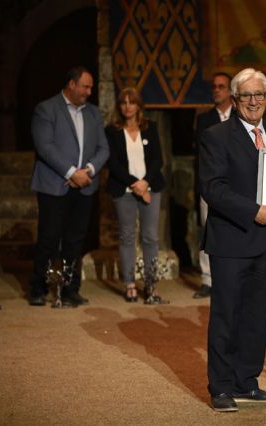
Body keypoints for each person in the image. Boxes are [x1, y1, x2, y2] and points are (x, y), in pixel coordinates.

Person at [200, 68, 266, 412]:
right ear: (235, 100)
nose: (254, 101)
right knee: (226, 315)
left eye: (259, 95)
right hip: (231, 241)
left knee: (256, 315)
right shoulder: (216, 135)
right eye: (246, 96)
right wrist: (253, 211)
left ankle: (247, 381)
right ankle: (221, 386)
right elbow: (213, 188)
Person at [28, 66, 109, 307]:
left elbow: (103, 148)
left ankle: (71, 288)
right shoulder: (46, 109)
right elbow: (45, 147)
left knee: (76, 240)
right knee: (49, 238)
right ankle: (38, 288)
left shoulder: (94, 113)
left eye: (91, 87)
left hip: (84, 187)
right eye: (85, 86)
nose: (89, 91)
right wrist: (72, 172)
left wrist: (89, 172)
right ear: (71, 84)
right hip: (55, 185)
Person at [105, 87, 167, 304]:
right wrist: (134, 184)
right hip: (124, 190)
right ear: (119, 106)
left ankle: (150, 285)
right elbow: (112, 163)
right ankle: (130, 284)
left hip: (150, 188)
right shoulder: (111, 131)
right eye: (123, 102)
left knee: (150, 237)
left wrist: (145, 183)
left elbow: (158, 160)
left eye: (132, 102)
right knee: (127, 236)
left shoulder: (150, 128)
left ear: (139, 106)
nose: (128, 106)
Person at [193, 72, 234, 299]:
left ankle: (231, 277)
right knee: (207, 229)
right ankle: (207, 280)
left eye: (221, 87)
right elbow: (198, 156)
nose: (216, 90)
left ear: (230, 91)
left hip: (237, 185)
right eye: (214, 87)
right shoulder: (204, 120)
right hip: (210, 184)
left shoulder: (241, 117)